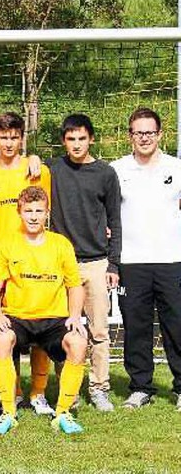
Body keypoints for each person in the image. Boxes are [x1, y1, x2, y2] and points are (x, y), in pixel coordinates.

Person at [0, 186, 87, 435]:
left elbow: (75, 286)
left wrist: (74, 316)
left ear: (47, 214)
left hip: (53, 319)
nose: (33, 216)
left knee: (78, 343)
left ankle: (62, 412)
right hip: (18, 318)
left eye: (38, 211)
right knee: (1, 338)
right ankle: (8, 412)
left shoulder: (61, 244)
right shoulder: (6, 244)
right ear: (19, 212)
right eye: (28, 211)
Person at [0, 111, 54, 415]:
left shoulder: (37, 171)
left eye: (14, 137)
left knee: (39, 329)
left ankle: (38, 393)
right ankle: (14, 391)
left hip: (34, 261)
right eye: (3, 137)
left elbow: (46, 216)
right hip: (0, 265)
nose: (9, 143)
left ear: (22, 139)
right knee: (5, 330)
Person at [48, 114, 121, 411]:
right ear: (64, 141)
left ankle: (99, 387)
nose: (76, 144)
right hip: (61, 265)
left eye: (81, 138)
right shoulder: (52, 169)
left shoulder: (105, 173)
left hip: (96, 263)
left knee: (99, 331)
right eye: (70, 139)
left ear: (91, 139)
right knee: (63, 331)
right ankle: (69, 390)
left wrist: (114, 264)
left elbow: (116, 220)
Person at [110, 107, 181, 410]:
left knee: (176, 326)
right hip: (131, 261)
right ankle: (141, 388)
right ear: (130, 136)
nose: (144, 138)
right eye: (138, 133)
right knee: (136, 327)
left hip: (172, 260)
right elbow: (105, 212)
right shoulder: (116, 169)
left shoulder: (176, 168)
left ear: (160, 134)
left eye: (150, 132)